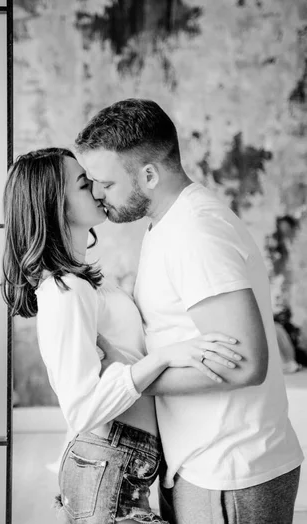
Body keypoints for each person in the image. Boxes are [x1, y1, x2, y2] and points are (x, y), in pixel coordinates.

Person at [75, 98, 304, 524]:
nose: (99, 194)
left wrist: (128, 385)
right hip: (203, 465)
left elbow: (247, 364)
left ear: (148, 174)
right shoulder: (168, 224)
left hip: (230, 471)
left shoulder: (196, 232)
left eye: (106, 183)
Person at [0, 147, 242, 524]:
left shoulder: (85, 283)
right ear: (56, 206)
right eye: (84, 184)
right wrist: (163, 357)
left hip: (118, 463)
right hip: (111, 463)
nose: (98, 189)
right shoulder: (65, 292)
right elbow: (81, 409)